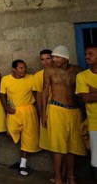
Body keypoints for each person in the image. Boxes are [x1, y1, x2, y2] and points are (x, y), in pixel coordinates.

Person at [42, 45, 85, 184]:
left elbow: (80, 92)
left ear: (65, 58)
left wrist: (84, 113)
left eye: (56, 57)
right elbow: (45, 92)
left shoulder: (77, 70)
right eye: (52, 57)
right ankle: (59, 178)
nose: (53, 59)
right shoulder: (49, 71)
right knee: (58, 147)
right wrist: (43, 113)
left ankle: (71, 177)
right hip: (56, 109)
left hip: (74, 110)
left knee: (73, 147)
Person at [0, 59, 39, 176]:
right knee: (12, 133)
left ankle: (23, 164)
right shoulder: (6, 79)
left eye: (24, 67)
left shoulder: (31, 78)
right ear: (14, 69)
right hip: (13, 112)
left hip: (28, 110)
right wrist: (6, 107)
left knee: (28, 139)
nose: (24, 70)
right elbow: (2, 94)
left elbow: (37, 93)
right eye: (21, 68)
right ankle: (22, 157)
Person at [76, 43, 97, 179]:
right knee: (96, 157)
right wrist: (90, 94)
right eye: (86, 54)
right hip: (94, 123)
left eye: (91, 54)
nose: (86, 57)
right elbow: (85, 98)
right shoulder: (82, 76)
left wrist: (94, 91)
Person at [32, 49, 52, 151]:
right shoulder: (38, 76)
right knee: (52, 144)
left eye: (48, 58)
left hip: (63, 110)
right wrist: (42, 115)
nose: (46, 62)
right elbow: (38, 98)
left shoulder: (61, 73)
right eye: (42, 59)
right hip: (47, 112)